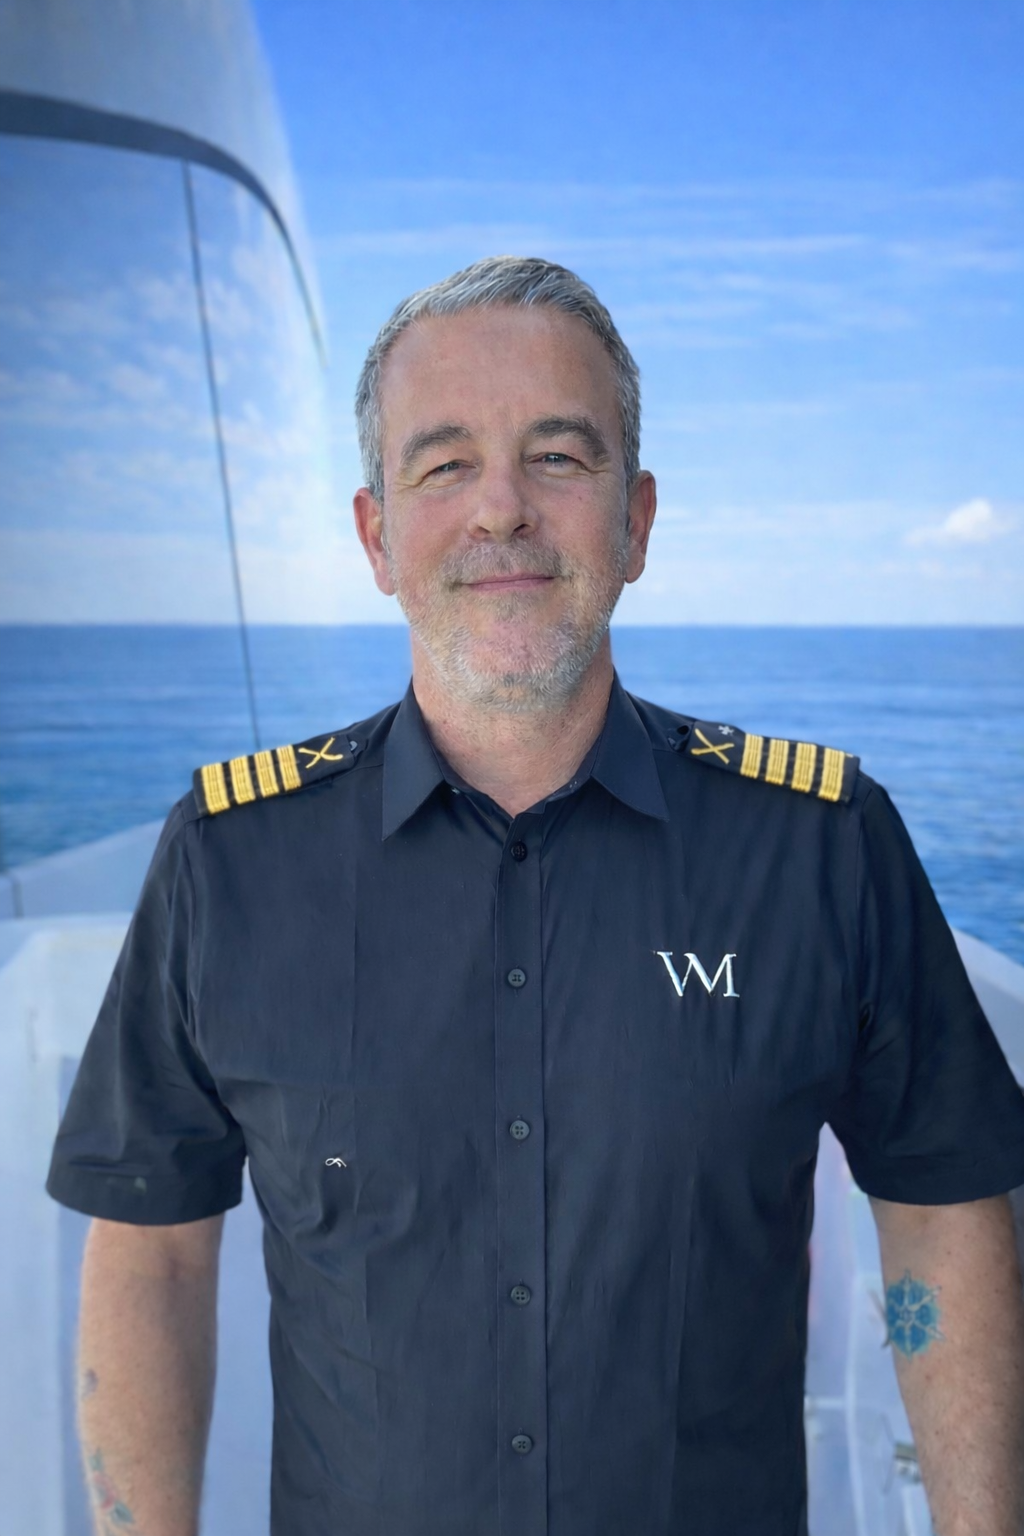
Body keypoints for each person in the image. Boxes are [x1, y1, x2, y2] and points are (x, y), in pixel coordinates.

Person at [47, 255, 1024, 1536]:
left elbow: (941, 1209)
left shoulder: (818, 849)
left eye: (557, 457)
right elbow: (154, 1251)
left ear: (636, 522)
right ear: (375, 536)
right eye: (444, 464)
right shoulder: (229, 863)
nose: (500, 509)